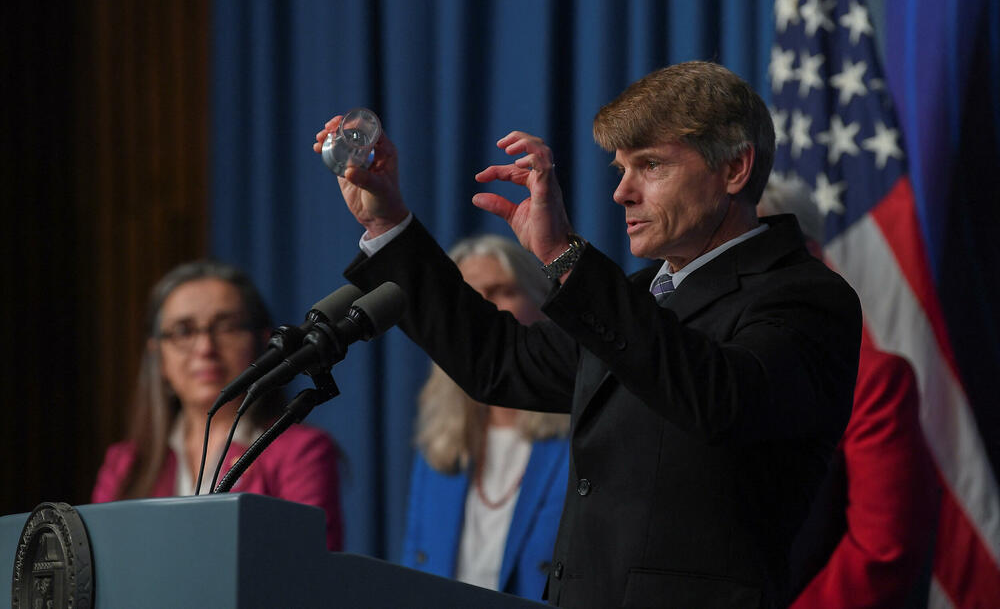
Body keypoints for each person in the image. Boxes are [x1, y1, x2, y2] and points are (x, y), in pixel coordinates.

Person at [315, 61, 861, 607]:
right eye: (619, 170)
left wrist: (562, 257)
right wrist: (387, 224)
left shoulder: (804, 296)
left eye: (650, 166)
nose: (622, 193)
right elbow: (500, 363)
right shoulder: (642, 295)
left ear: (736, 169)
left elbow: (717, 397)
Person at [758, 176, 939, 607]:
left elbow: (882, 552)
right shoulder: (698, 378)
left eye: (758, 252)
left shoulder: (872, 382)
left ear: (812, 257)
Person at [91, 260, 345, 550]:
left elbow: (308, 570)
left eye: (227, 327)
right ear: (158, 355)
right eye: (184, 331)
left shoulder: (301, 452)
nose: (205, 348)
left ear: (264, 343)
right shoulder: (125, 464)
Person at [401, 234, 570, 599]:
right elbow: (412, 574)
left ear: (542, 304)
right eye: (470, 296)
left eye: (501, 291)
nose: (482, 309)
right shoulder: (438, 446)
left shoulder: (582, 440)